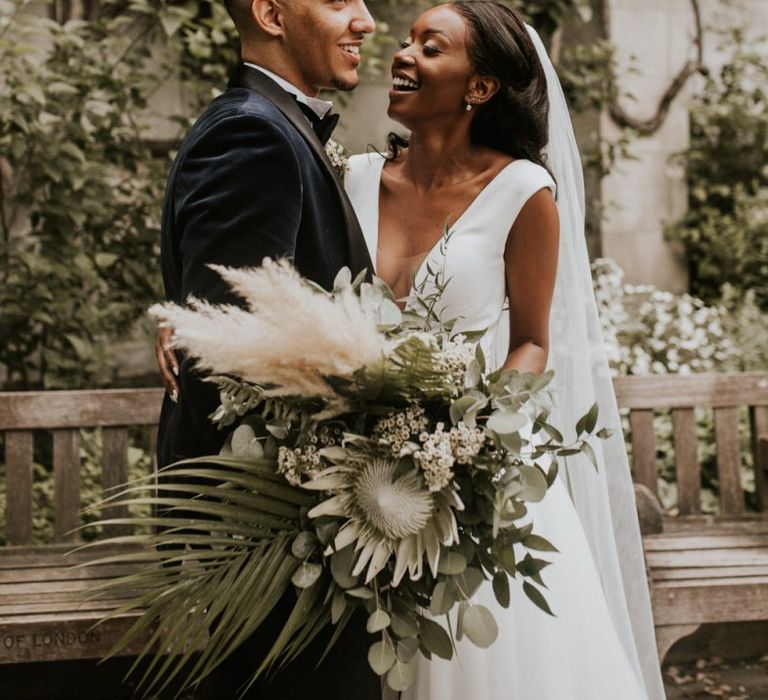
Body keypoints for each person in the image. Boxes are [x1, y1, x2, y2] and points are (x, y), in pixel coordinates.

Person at [344, 2, 667, 698]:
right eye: (406, 42)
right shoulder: (355, 179)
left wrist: (468, 439)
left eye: (430, 48)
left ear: (479, 87)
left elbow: (531, 341)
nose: (402, 55)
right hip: (353, 472)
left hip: (474, 476)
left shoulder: (523, 191)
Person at [154, 0, 381, 697]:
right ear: (271, 12)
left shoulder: (274, 126)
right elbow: (225, 371)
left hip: (296, 540)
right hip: (270, 541)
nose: (367, 20)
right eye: (342, 0)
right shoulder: (252, 137)